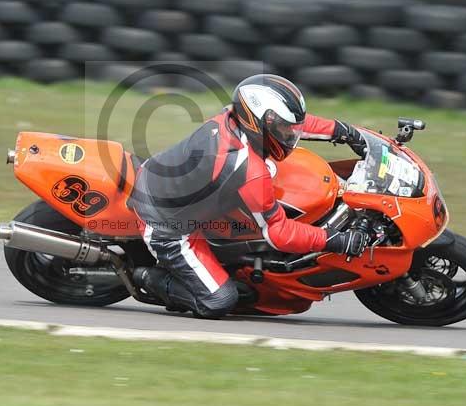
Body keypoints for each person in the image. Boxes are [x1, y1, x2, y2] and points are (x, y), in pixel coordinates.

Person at [130, 74, 369, 319]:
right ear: (258, 122)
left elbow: (298, 125)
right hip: (166, 223)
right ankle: (149, 277)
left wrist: (347, 132)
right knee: (220, 301)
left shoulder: (235, 116)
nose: (289, 134)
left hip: (170, 183)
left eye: (287, 126)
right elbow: (279, 232)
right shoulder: (247, 169)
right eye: (282, 128)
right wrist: (334, 240)